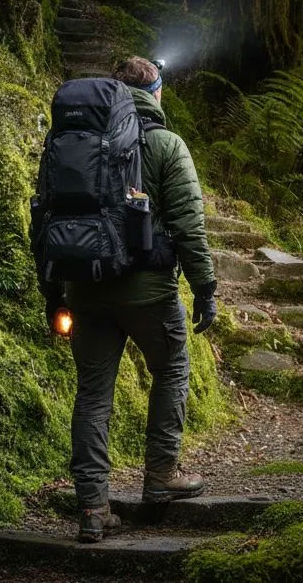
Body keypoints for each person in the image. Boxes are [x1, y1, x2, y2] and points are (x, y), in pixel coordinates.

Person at [43, 56, 218, 543]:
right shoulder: (166, 144)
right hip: (150, 294)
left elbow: (45, 216)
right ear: (156, 92)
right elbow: (189, 226)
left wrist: (53, 294)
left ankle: (93, 507)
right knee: (172, 367)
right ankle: (160, 476)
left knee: (92, 393)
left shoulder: (69, 142)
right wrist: (205, 289)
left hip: (85, 288)